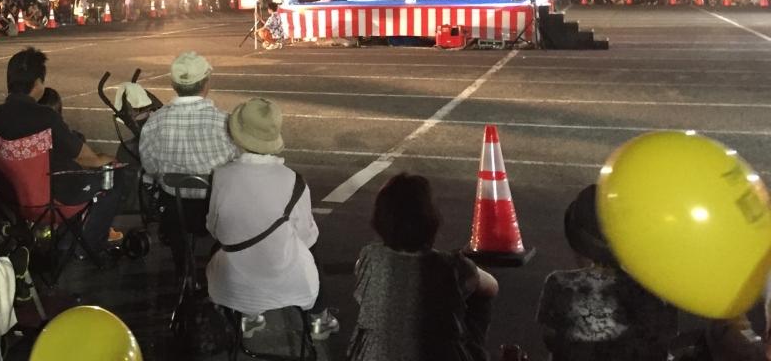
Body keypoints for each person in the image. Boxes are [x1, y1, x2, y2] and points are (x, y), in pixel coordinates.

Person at [207, 98, 338, 341]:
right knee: (310, 248)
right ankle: (319, 318)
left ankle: (249, 315)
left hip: (232, 287)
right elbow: (307, 238)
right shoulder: (294, 181)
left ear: (237, 136)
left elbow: (215, 229)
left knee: (233, 251)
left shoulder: (221, 177)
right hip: (291, 285)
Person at [0, 47, 128, 253]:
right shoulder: (45, 117)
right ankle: (87, 245)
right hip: (51, 201)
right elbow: (87, 158)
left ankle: (67, 239)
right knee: (113, 176)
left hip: (11, 199)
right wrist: (109, 159)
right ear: (37, 83)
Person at [345, 172, 498, 361]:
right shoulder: (450, 266)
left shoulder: (369, 257)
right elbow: (491, 287)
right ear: (430, 219)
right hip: (439, 354)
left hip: (369, 355)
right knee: (478, 303)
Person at [536, 184, 676, 360]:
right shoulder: (658, 292)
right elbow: (662, 345)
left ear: (578, 241)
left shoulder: (559, 283)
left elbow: (551, 339)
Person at [138, 52, 238, 270]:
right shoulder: (224, 122)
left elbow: (150, 166)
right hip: (217, 209)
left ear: (173, 85)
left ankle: (182, 270)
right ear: (206, 83)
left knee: (173, 219)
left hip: (175, 209)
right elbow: (237, 164)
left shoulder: (155, 122)